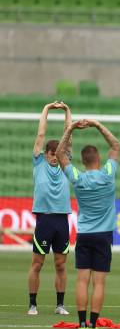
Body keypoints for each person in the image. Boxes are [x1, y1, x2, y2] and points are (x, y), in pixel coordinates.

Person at [56, 118, 120, 329]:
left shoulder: (78, 178)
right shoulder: (108, 175)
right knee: (99, 282)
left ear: (83, 161)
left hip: (84, 234)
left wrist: (71, 128)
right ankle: (93, 325)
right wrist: (99, 125)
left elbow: (59, 155)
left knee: (82, 280)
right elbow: (115, 145)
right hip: (103, 236)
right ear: (98, 158)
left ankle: (81, 325)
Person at [28, 101, 72, 316]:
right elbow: (40, 134)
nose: (55, 157)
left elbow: (68, 134)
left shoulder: (65, 163)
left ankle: (60, 305)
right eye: (52, 154)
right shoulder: (39, 164)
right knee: (37, 263)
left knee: (61, 264)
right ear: (45, 154)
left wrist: (66, 111)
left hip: (62, 220)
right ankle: (33, 304)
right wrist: (46, 108)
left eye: (58, 154)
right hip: (44, 220)